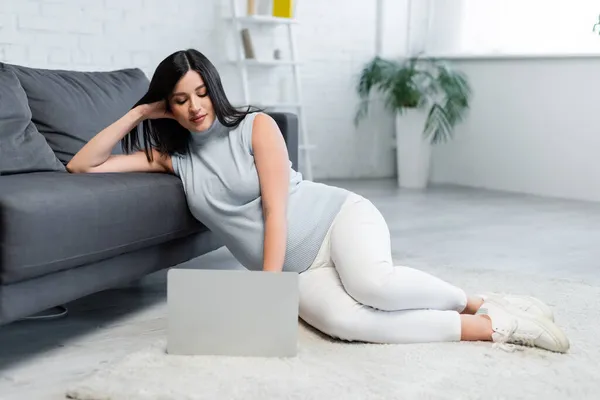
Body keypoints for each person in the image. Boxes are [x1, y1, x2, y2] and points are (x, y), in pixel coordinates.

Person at [67, 49, 570, 353]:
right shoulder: (173, 159)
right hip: (298, 271)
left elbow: (275, 211)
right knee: (345, 324)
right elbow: (82, 165)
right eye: (180, 99)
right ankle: (495, 327)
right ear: (168, 106)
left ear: (213, 88)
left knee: (374, 285)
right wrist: (138, 113)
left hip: (335, 221)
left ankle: (479, 300)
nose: (195, 106)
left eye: (200, 92)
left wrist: (265, 291)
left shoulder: (256, 127)